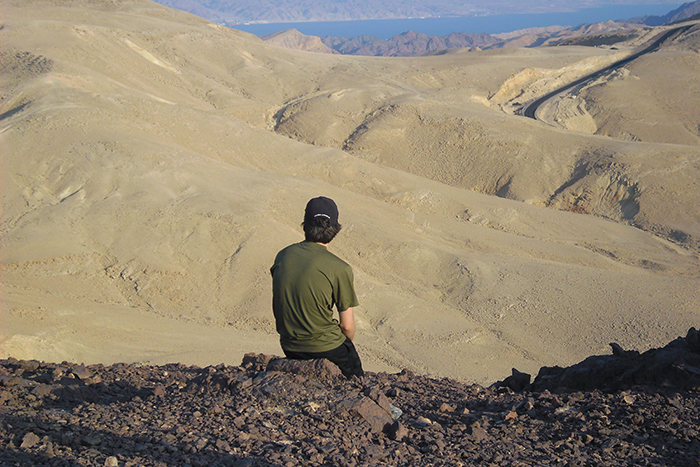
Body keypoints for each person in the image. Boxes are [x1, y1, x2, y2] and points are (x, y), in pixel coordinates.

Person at [270, 196, 364, 378]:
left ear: (305, 224)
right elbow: (347, 326)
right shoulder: (339, 268)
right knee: (357, 382)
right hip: (327, 348)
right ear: (335, 228)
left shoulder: (283, 256)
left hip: (290, 346)